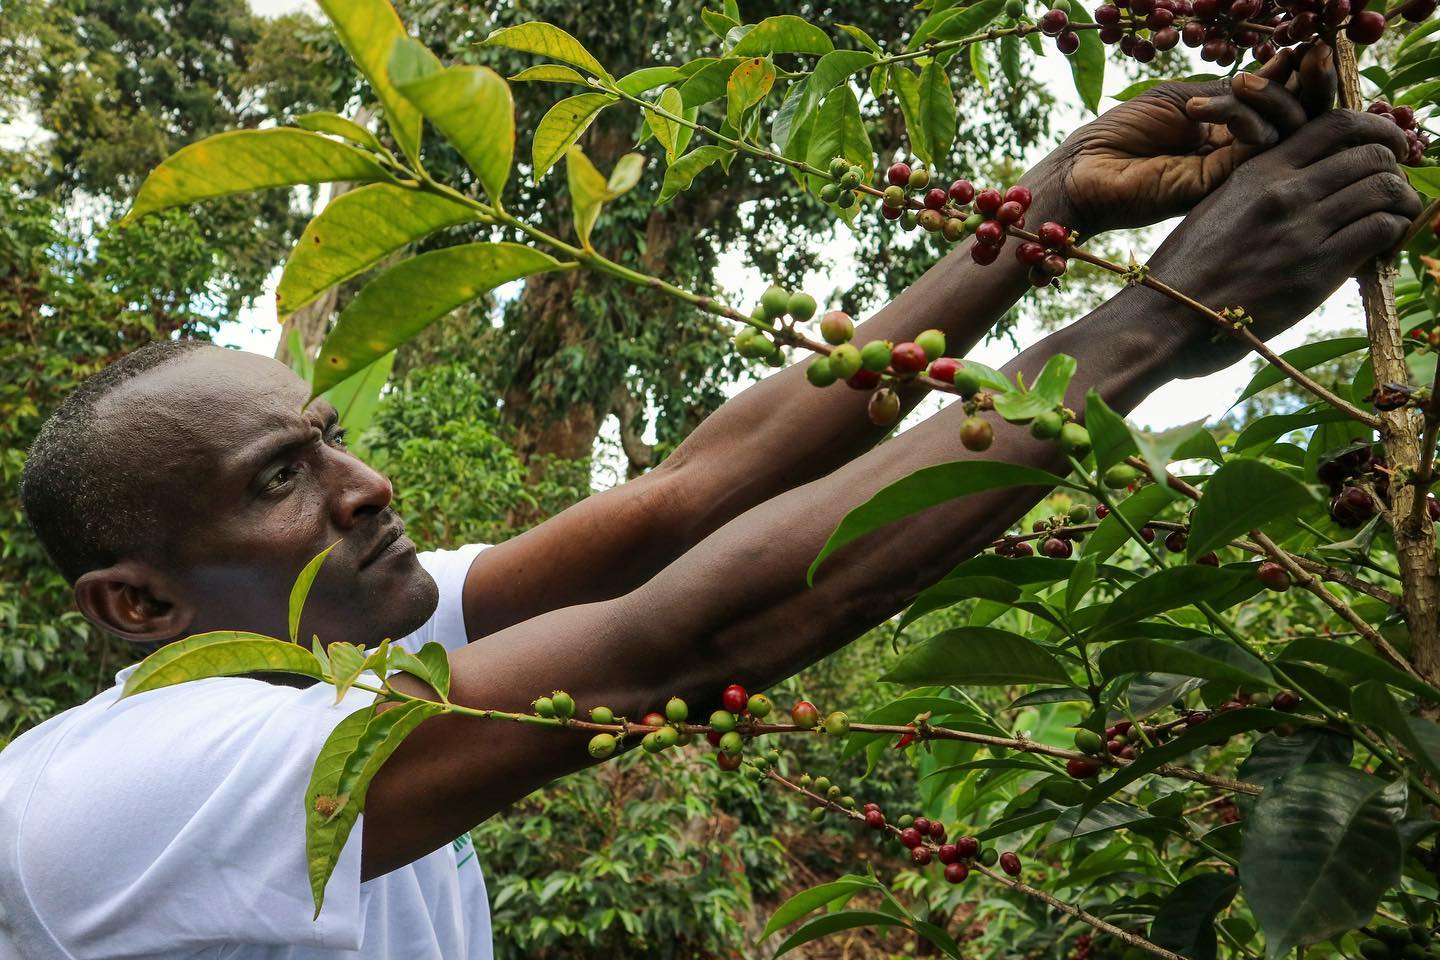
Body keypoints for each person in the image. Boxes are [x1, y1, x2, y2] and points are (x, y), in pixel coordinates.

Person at [0, 44, 1420, 959]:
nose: (367, 485)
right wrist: (1159, 327)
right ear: (136, 605)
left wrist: (1045, 211)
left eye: (329, 439)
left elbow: (689, 495)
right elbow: (688, 637)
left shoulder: (333, 653)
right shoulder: (127, 784)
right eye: (283, 478)